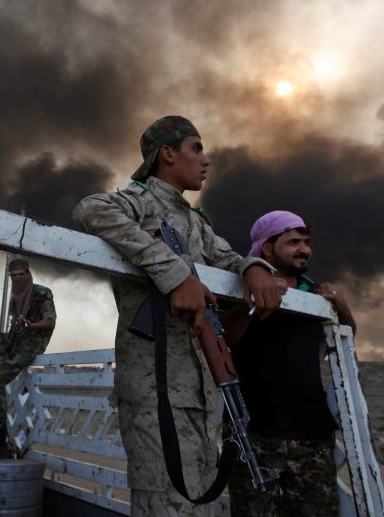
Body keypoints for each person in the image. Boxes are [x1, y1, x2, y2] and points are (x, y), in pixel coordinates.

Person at [73, 116, 283, 516]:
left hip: (203, 390)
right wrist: (174, 273)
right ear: (166, 154)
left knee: (202, 507)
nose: (206, 160)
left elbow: (228, 256)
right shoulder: (140, 202)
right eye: (196, 148)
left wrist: (254, 267)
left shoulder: (194, 221)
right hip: (156, 389)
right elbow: (90, 209)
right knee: (165, 506)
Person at [222, 210, 356, 517]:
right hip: (254, 435)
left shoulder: (316, 294)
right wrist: (253, 302)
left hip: (312, 435)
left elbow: (345, 341)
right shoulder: (236, 285)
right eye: (293, 241)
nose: (303, 249)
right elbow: (223, 337)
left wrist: (341, 309)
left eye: (306, 242)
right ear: (267, 248)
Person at [0, 258, 56, 461]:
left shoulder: (41, 292)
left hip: (30, 346)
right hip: (14, 340)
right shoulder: (17, 296)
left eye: (21, 275)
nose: (18, 279)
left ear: (28, 274)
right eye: (14, 276)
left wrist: (31, 326)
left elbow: (50, 322)